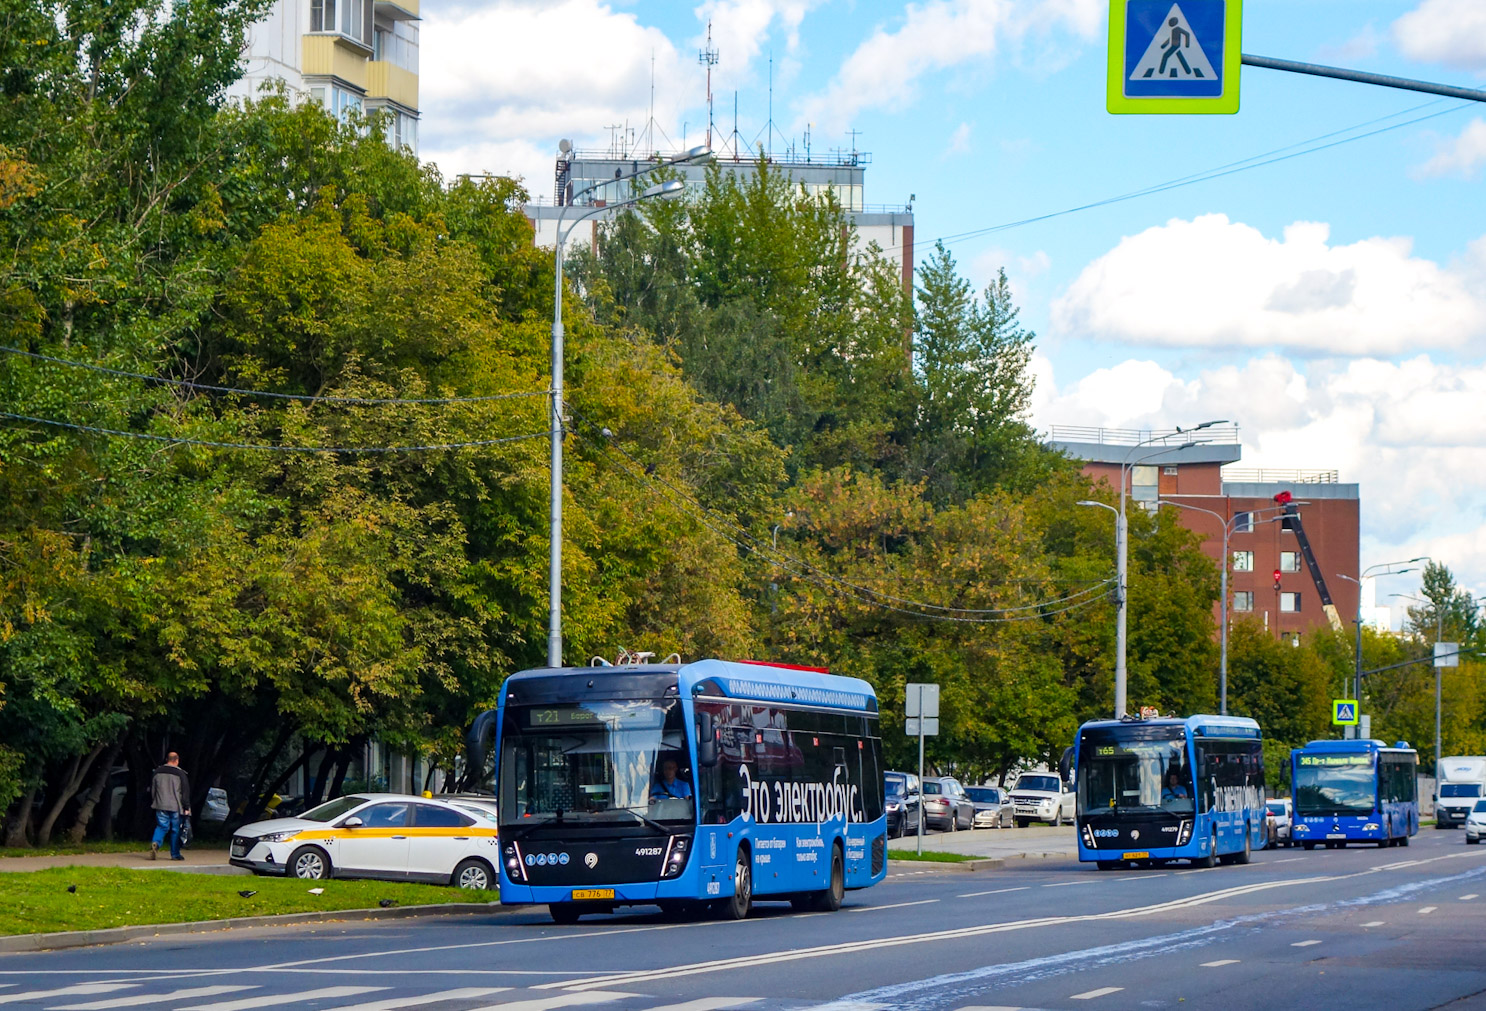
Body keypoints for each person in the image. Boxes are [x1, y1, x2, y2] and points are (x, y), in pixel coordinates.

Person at [150, 752, 192, 861]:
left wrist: (155, 801)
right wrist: (186, 807)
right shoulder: (180, 774)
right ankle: (175, 854)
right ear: (177, 760)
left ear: (167, 759)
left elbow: (153, 790)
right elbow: (185, 792)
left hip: (160, 804)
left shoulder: (157, 772)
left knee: (161, 826)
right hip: (176, 806)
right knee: (175, 830)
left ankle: (156, 842)